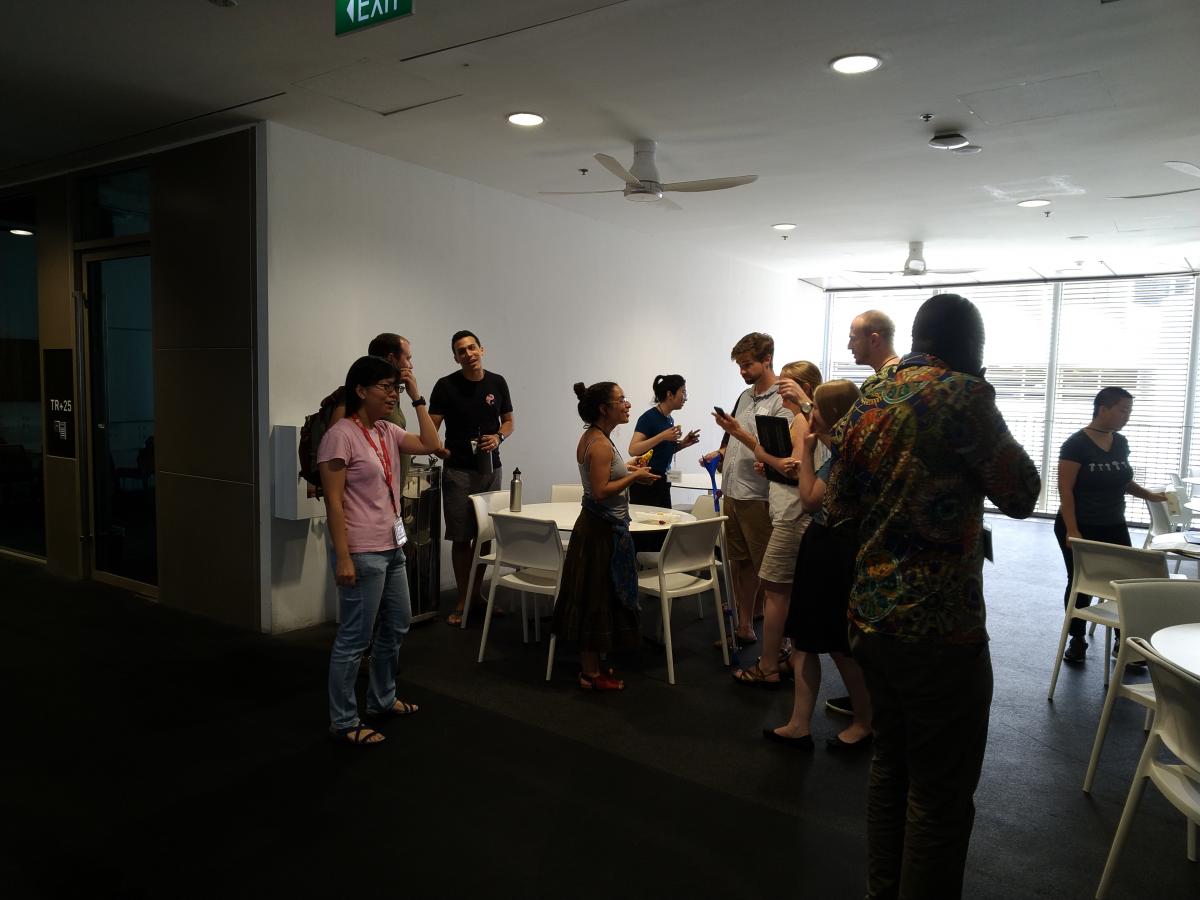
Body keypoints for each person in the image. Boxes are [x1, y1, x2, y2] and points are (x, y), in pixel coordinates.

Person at [835, 293, 1041, 898]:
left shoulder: (871, 394)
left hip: (869, 616)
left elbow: (839, 506)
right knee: (939, 794)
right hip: (939, 628)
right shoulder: (963, 395)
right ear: (970, 347)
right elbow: (1023, 493)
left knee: (891, 768)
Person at [319, 355, 442, 745]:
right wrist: (343, 557)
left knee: (397, 625)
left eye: (397, 388)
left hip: (392, 547)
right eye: (386, 388)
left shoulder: (387, 430)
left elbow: (431, 444)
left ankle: (382, 699)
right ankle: (343, 721)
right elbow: (334, 503)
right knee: (355, 638)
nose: (393, 394)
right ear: (361, 390)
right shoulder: (340, 434)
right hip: (362, 550)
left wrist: (419, 397)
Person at [762, 380, 872, 749]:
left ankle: (864, 721)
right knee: (805, 641)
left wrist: (806, 454)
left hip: (834, 552)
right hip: (820, 547)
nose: (811, 414)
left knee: (839, 645)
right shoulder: (839, 450)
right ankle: (799, 723)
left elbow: (808, 499)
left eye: (817, 409)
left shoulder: (845, 459)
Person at [714, 361, 820, 686]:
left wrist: (749, 442)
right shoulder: (793, 416)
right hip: (782, 508)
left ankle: (770, 662)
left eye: (787, 384)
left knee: (775, 589)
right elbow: (789, 467)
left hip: (790, 515)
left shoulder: (802, 420)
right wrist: (772, 467)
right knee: (771, 582)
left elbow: (796, 469)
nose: (781, 389)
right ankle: (779, 654)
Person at [551, 382, 659, 690]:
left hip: (599, 527)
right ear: (604, 409)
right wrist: (635, 476)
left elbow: (607, 477)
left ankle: (594, 668)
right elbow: (599, 491)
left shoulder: (598, 438)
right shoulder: (598, 443)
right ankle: (590, 674)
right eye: (621, 400)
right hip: (600, 530)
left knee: (597, 597)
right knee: (595, 598)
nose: (627, 404)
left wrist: (629, 469)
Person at [1054, 386, 1168, 663]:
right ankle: (1077, 639)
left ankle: (1123, 642)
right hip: (1080, 524)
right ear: (1103, 409)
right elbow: (1065, 490)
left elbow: (1121, 479)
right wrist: (1072, 529)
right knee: (1081, 582)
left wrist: (1150, 495)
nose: (1126, 416)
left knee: (1124, 584)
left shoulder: (1120, 442)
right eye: (1123, 410)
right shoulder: (1075, 444)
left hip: (1113, 523)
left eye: (1129, 411)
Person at [826, 309, 900, 717]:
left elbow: (844, 441)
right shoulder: (890, 383)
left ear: (874, 338)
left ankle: (871, 709)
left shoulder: (882, 386)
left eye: (853, 338)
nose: (849, 346)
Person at [700, 332, 783, 646]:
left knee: (769, 570)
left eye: (747, 365)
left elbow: (778, 452)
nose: (743, 371)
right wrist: (720, 453)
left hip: (759, 495)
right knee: (739, 563)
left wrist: (738, 432)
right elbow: (735, 438)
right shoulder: (745, 397)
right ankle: (744, 626)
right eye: (739, 365)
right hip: (733, 491)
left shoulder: (782, 400)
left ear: (767, 360)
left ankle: (780, 645)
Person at [428, 330, 515, 626]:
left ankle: (477, 594)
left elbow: (509, 421)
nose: (468, 354)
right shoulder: (445, 386)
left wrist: (498, 437)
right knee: (461, 536)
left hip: (491, 468)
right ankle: (464, 598)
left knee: (485, 533)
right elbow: (433, 427)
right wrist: (437, 448)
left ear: (482, 349)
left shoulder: (497, 382)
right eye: (461, 351)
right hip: (458, 471)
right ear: (455, 357)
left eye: (472, 348)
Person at [627, 374, 701, 509]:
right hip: (645, 481)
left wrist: (683, 444)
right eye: (683, 392)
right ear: (670, 394)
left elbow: (661, 450)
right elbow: (633, 450)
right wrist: (662, 436)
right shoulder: (648, 417)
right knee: (649, 528)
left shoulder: (669, 419)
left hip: (662, 480)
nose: (685, 397)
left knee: (664, 526)